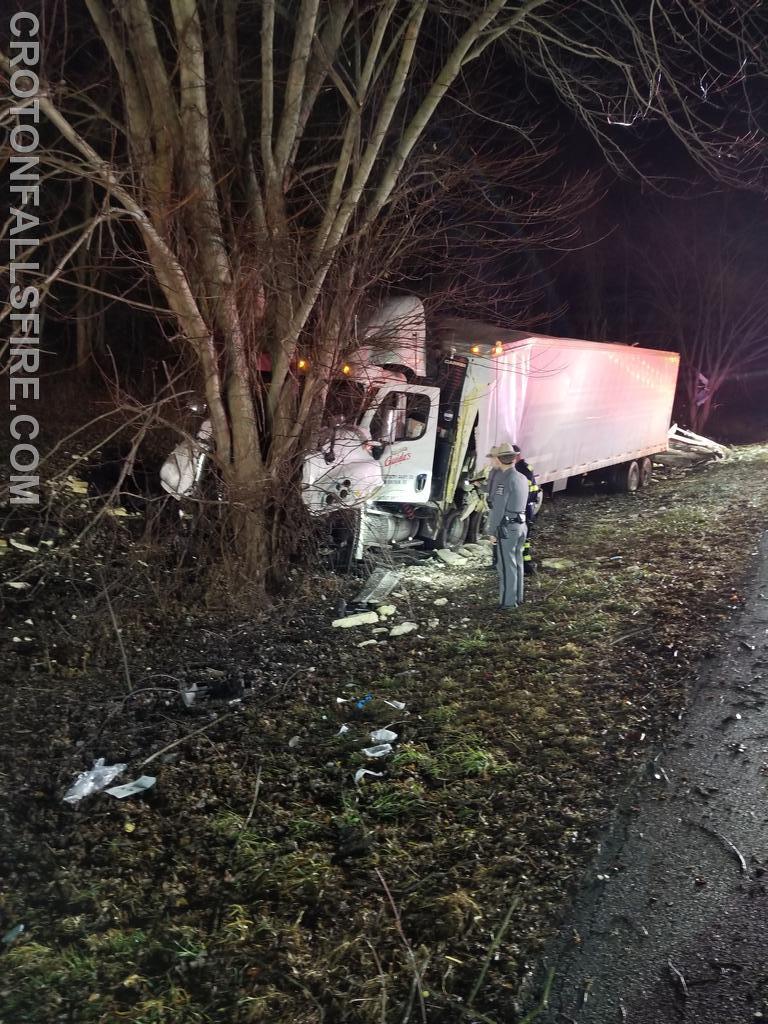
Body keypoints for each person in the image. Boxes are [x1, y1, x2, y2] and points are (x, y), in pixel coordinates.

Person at [487, 442, 529, 610]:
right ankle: (518, 596)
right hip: (521, 525)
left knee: (505, 565)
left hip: (508, 527)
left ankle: (508, 603)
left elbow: (498, 508)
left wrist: (492, 531)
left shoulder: (504, 481)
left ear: (499, 459)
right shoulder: (521, 477)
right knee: (518, 562)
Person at [514, 449, 541, 575]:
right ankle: (523, 564)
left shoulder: (524, 469)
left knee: (524, 537)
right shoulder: (519, 468)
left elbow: (530, 491)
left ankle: (525, 565)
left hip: (525, 508)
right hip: (524, 508)